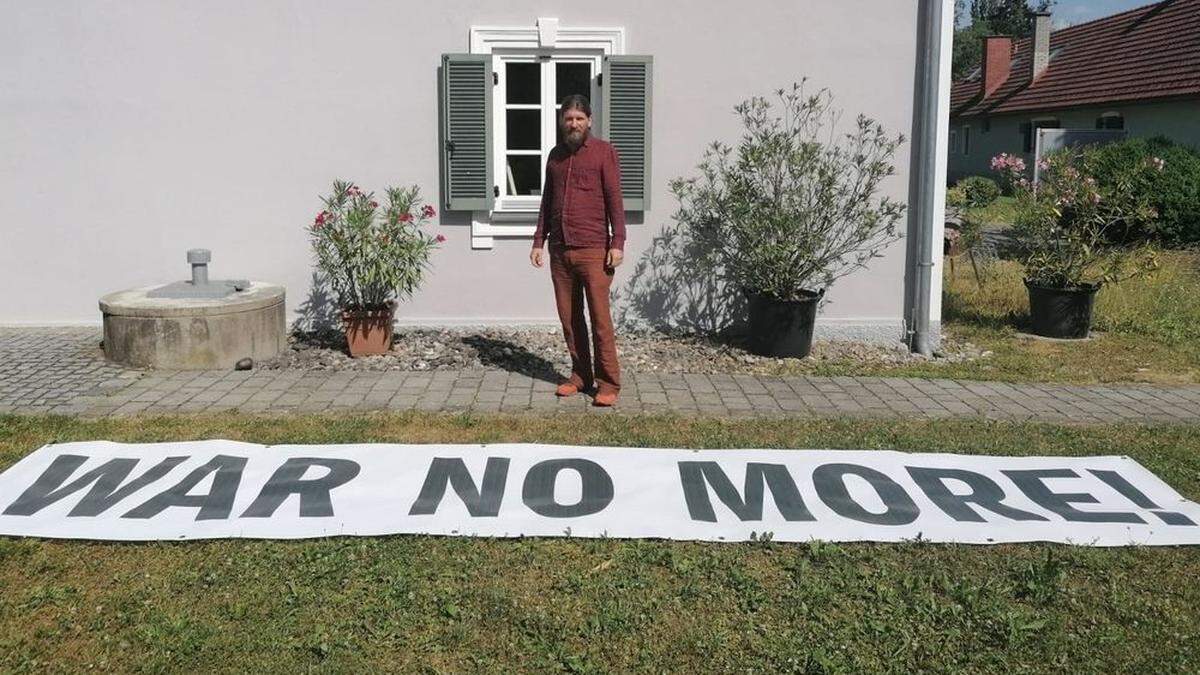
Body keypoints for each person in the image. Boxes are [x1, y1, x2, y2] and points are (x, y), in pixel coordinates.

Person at [529, 94, 626, 407]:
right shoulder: (555, 157)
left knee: (600, 319)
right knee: (570, 319)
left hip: (594, 249)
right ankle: (580, 374)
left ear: (589, 121)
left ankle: (608, 382)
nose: (573, 123)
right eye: (568, 118)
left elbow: (615, 199)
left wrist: (618, 242)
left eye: (579, 118)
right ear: (562, 121)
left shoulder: (603, 152)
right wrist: (538, 241)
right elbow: (547, 201)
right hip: (560, 251)